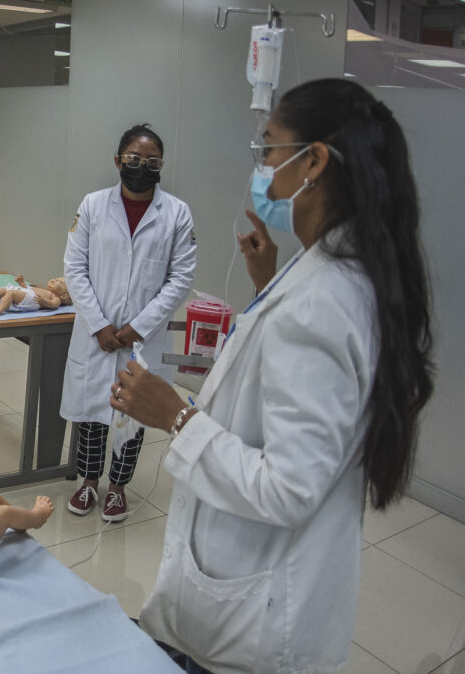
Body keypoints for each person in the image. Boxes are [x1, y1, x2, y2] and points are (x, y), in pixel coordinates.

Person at [111, 79, 433, 673]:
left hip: (256, 617)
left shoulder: (324, 299)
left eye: (269, 149)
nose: (263, 169)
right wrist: (267, 285)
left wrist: (175, 416)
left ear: (314, 162)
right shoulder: (330, 272)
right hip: (247, 585)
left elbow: (290, 485)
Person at [61, 124, 196, 522]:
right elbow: (74, 268)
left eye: (151, 162)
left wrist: (139, 326)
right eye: (134, 160)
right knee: (91, 415)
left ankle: (118, 488)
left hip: (141, 339)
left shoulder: (177, 214)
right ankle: (88, 483)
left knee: (131, 415)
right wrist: (99, 324)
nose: (142, 167)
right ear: (118, 161)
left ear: (161, 166)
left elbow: (181, 278)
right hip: (95, 334)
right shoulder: (92, 206)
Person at [0, 275, 72, 315]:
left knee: (11, 293)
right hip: (28, 296)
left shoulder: (56, 298)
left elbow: (54, 305)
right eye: (56, 278)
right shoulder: (44, 290)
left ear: (65, 295)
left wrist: (44, 301)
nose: (54, 280)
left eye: (60, 282)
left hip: (33, 302)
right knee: (1, 290)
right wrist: (22, 284)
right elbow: (27, 291)